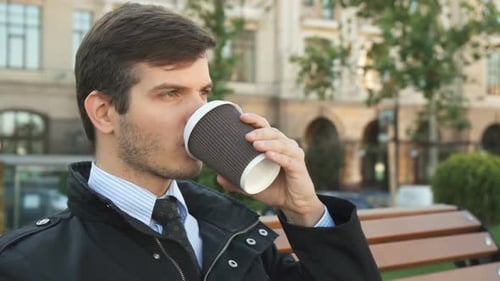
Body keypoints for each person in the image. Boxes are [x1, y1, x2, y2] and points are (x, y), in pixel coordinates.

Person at [0, 3, 381, 281]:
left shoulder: (235, 232)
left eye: (204, 92)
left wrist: (304, 210)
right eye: (170, 94)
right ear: (104, 112)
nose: (198, 113)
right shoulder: (30, 265)